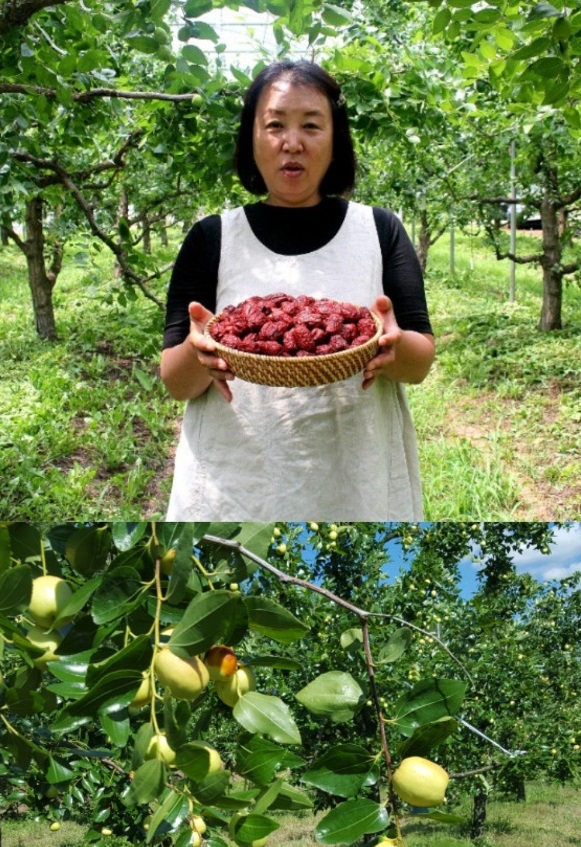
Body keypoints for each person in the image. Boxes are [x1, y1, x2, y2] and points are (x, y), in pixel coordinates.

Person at [160, 59, 435, 520]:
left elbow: (420, 361)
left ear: (335, 140)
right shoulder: (211, 238)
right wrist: (198, 350)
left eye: (311, 125)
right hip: (238, 480)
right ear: (252, 138)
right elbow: (175, 381)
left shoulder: (380, 230)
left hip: (353, 471)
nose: (292, 143)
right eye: (274, 125)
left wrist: (392, 346)